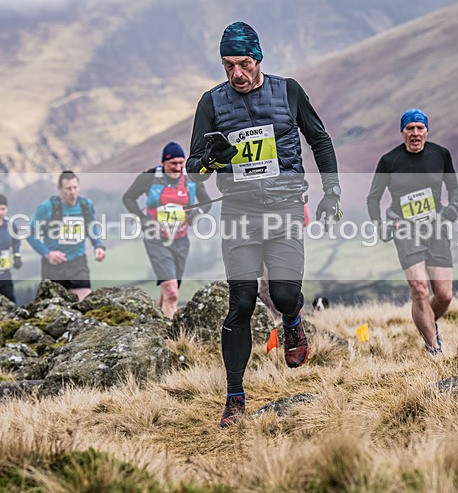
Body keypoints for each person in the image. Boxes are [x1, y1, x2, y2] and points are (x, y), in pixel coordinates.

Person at [185, 21, 343, 427]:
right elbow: (193, 168)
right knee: (241, 303)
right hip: (238, 213)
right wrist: (212, 159)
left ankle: (292, 322)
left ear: (258, 59)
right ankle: (234, 397)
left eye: (244, 63)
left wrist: (332, 192)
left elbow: (320, 140)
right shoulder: (211, 103)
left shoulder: (288, 91)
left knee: (286, 294)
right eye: (228, 65)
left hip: (285, 208)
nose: (236, 73)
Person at [366, 108, 458, 356]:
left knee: (444, 296)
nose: (415, 133)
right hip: (404, 228)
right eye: (410, 128)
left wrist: (452, 208)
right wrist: (380, 225)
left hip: (436, 227)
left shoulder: (440, 155)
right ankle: (433, 349)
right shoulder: (389, 161)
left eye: (420, 128)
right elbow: (373, 198)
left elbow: (454, 188)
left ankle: (426, 321)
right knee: (419, 289)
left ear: (427, 131)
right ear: (402, 132)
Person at [122, 141, 213, 318]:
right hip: (156, 239)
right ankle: (171, 333)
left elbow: (207, 202)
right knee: (172, 293)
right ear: (163, 162)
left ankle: (156, 322)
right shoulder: (149, 178)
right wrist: (142, 218)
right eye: (173, 163)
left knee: (170, 290)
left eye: (181, 163)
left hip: (181, 240)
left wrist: (197, 213)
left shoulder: (191, 178)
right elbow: (128, 198)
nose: (177, 167)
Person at [28, 170, 106, 301]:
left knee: (84, 302)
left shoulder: (85, 206)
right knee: (54, 306)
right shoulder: (46, 208)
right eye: (68, 188)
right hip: (54, 265)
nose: (73, 192)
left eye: (75, 187)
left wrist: (98, 245)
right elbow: (30, 233)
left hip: (78, 263)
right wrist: (47, 253)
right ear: (60, 189)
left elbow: (91, 227)